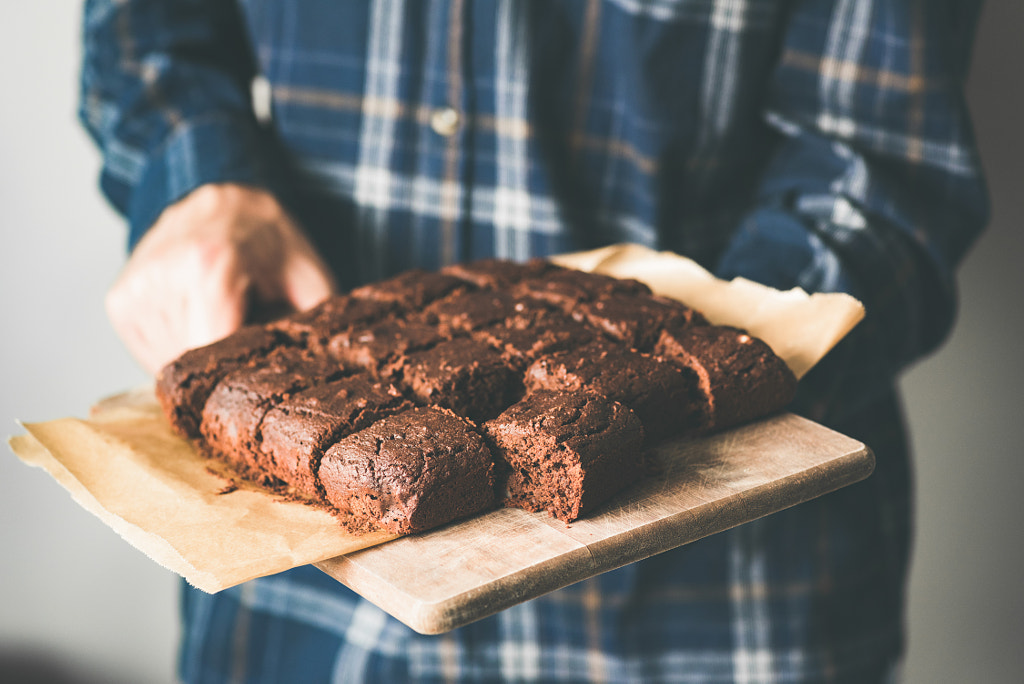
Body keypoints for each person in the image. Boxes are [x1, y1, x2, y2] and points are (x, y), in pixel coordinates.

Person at [79, 1, 988, 682]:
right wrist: (196, 182)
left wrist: (686, 376)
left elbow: (879, 163)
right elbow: (146, 41)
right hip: (302, 603)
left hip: (717, 608)